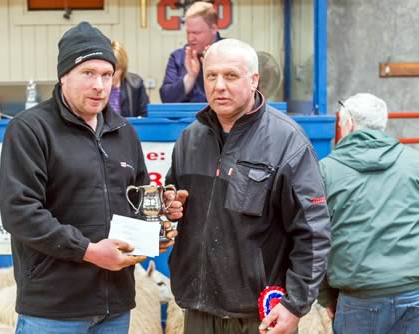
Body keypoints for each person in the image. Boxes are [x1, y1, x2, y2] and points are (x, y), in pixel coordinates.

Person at [0, 22, 181, 334]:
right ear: (63, 75)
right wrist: (89, 251)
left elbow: (138, 196)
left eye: (107, 75)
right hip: (53, 310)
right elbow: (20, 212)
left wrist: (157, 223)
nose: (100, 84)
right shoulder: (31, 129)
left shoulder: (123, 131)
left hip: (115, 306)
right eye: (88, 73)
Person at [165, 38, 331, 334]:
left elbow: (314, 233)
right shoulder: (190, 139)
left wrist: (295, 305)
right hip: (199, 311)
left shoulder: (287, 142)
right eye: (211, 76)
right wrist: (171, 207)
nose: (219, 86)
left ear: (254, 79)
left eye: (230, 76)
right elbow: (173, 202)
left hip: (261, 317)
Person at [318, 93, 419, 334]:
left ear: (349, 123)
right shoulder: (414, 162)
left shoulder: (325, 171)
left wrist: (327, 297)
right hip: (413, 291)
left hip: (358, 299)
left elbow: (315, 238)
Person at [159, 1, 221, 103]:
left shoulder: (232, 54)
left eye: (196, 33)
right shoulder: (177, 57)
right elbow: (166, 98)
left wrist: (213, 68)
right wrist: (190, 77)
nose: (190, 38)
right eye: (188, 32)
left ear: (213, 29)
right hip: (185, 119)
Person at [109, 41, 149, 117]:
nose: (112, 74)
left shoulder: (136, 84)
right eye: (109, 70)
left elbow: (145, 115)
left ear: (123, 68)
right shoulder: (95, 86)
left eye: (116, 69)